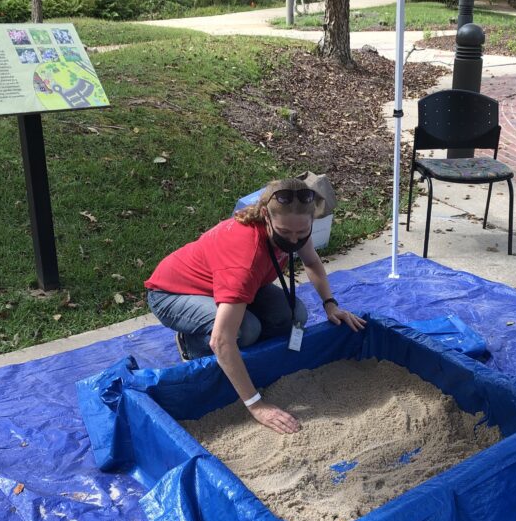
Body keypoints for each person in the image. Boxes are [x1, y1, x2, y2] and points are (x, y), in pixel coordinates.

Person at [145, 178, 366, 435]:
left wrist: (330, 305)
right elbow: (222, 341)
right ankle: (190, 342)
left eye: (301, 233)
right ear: (265, 216)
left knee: (294, 315)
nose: (294, 240)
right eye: (285, 234)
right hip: (173, 294)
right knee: (244, 331)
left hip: (233, 285)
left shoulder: (294, 226)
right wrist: (256, 405)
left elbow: (312, 263)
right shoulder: (245, 258)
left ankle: (237, 325)